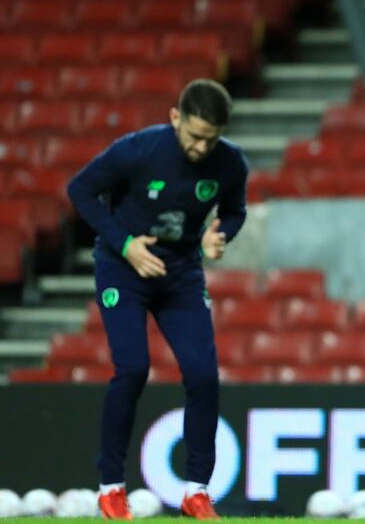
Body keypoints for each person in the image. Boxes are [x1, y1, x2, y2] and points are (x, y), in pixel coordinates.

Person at [67, 79, 248, 520]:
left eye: (210, 138)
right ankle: (111, 486)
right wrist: (125, 243)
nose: (201, 147)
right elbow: (80, 190)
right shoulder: (138, 150)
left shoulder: (229, 164)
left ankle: (197, 491)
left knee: (204, 375)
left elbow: (234, 209)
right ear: (175, 119)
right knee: (132, 368)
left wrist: (221, 234)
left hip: (181, 273)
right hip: (122, 268)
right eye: (193, 136)